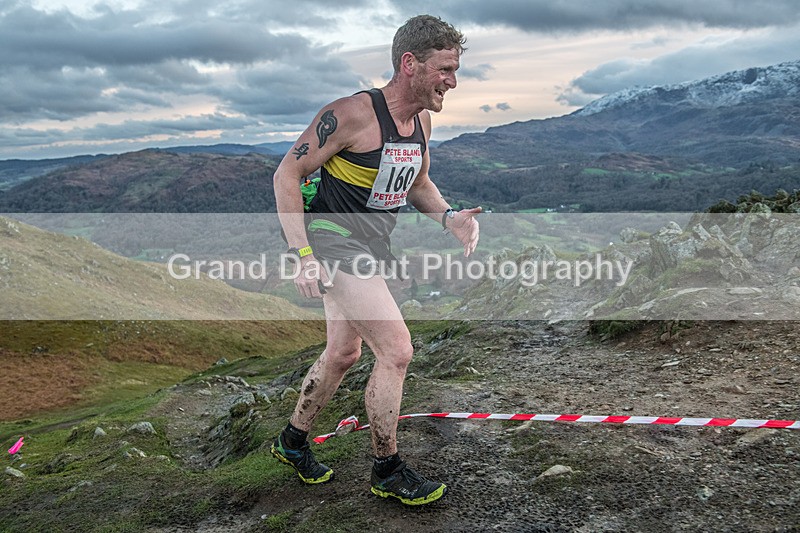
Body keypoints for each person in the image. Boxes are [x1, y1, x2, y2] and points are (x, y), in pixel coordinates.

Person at [271, 14, 481, 506]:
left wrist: (449, 217)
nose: (453, 80)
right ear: (411, 64)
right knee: (397, 350)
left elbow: (418, 184)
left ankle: (292, 440)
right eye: (445, 69)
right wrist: (302, 255)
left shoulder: (421, 122)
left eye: (455, 69)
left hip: (371, 245)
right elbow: (287, 173)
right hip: (332, 240)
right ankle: (387, 469)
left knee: (344, 354)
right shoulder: (350, 115)